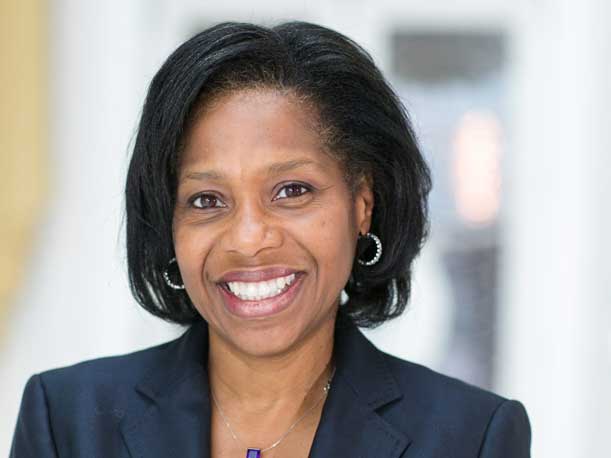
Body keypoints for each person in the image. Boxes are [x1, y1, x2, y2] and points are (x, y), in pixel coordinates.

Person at [10, 21, 531, 458]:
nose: (248, 239)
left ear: (362, 204)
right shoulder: (67, 422)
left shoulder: (470, 438)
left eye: (291, 191)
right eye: (206, 200)